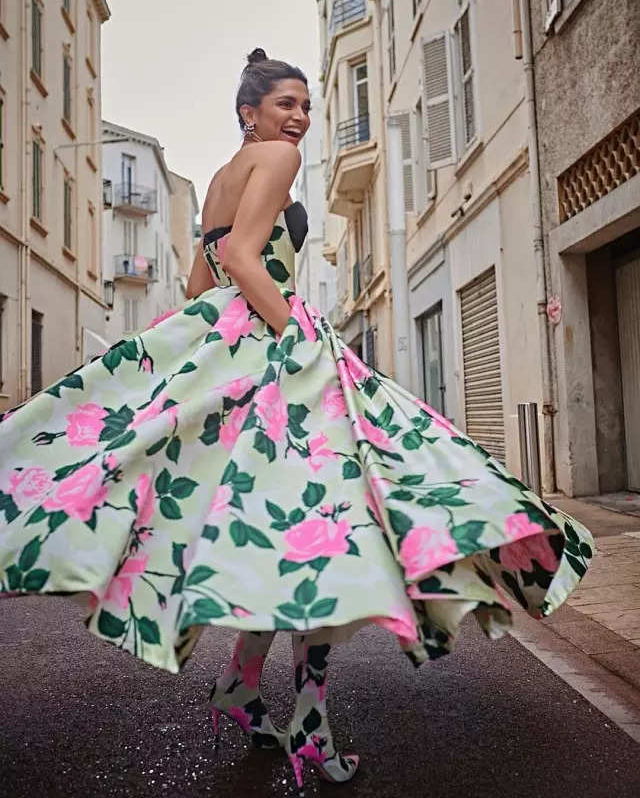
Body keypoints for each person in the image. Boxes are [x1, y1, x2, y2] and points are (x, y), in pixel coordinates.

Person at [0, 48, 594, 795]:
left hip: (238, 348)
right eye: (287, 104)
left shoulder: (218, 180)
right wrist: (297, 339)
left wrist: (203, 366)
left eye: (307, 107)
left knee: (289, 542)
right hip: (280, 349)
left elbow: (200, 282)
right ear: (250, 112)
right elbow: (248, 260)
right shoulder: (274, 158)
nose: (300, 119)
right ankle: (307, 722)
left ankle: (246, 686)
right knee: (333, 531)